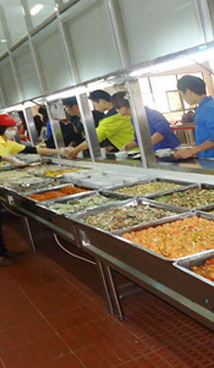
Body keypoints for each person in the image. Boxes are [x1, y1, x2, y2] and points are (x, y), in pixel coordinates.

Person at [0, 114, 66, 266]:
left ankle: (2, 251)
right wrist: (7, 158)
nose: (13, 130)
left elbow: (32, 149)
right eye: (10, 127)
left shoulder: (7, 142)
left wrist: (59, 151)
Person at [68, 90, 134, 159]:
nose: (95, 107)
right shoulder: (118, 113)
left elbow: (94, 138)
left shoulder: (112, 118)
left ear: (102, 101)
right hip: (131, 149)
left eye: (94, 104)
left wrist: (75, 151)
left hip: (133, 151)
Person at [174, 76, 214, 160]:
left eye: (181, 94)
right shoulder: (204, 107)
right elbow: (207, 136)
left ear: (188, 91)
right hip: (210, 158)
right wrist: (192, 146)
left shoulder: (207, 109)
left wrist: (192, 151)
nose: (183, 98)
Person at [110, 92, 180, 151]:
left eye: (116, 108)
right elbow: (139, 140)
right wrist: (127, 146)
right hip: (156, 154)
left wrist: (146, 146)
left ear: (123, 107)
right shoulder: (134, 119)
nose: (116, 110)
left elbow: (163, 131)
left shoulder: (152, 114)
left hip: (171, 152)